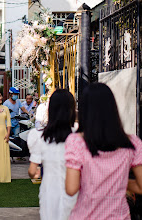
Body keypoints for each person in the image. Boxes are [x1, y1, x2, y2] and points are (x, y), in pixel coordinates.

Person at [65, 83, 142, 220]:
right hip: (120, 216)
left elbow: (71, 189)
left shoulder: (76, 142)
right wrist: (119, 182)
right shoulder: (133, 143)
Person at [27, 89, 77, 220]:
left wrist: (36, 172)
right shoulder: (78, 135)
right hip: (75, 191)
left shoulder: (39, 136)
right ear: (72, 110)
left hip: (49, 192)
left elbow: (32, 171)